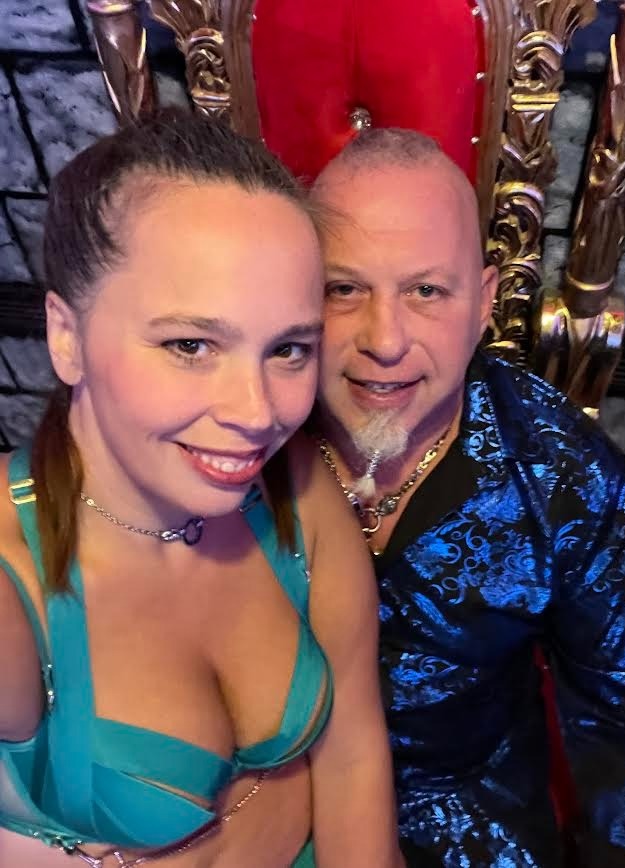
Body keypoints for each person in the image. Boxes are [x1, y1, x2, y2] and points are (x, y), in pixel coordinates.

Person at [0, 110, 404, 868]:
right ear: (66, 336)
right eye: (191, 344)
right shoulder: (14, 587)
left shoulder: (297, 493)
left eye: (288, 349)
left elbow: (352, 759)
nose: (257, 413)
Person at [310, 127, 625, 868]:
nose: (385, 340)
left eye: (426, 291)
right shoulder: (243, 434)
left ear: (484, 302)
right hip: (266, 803)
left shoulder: (561, 473)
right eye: (343, 289)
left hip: (470, 825)